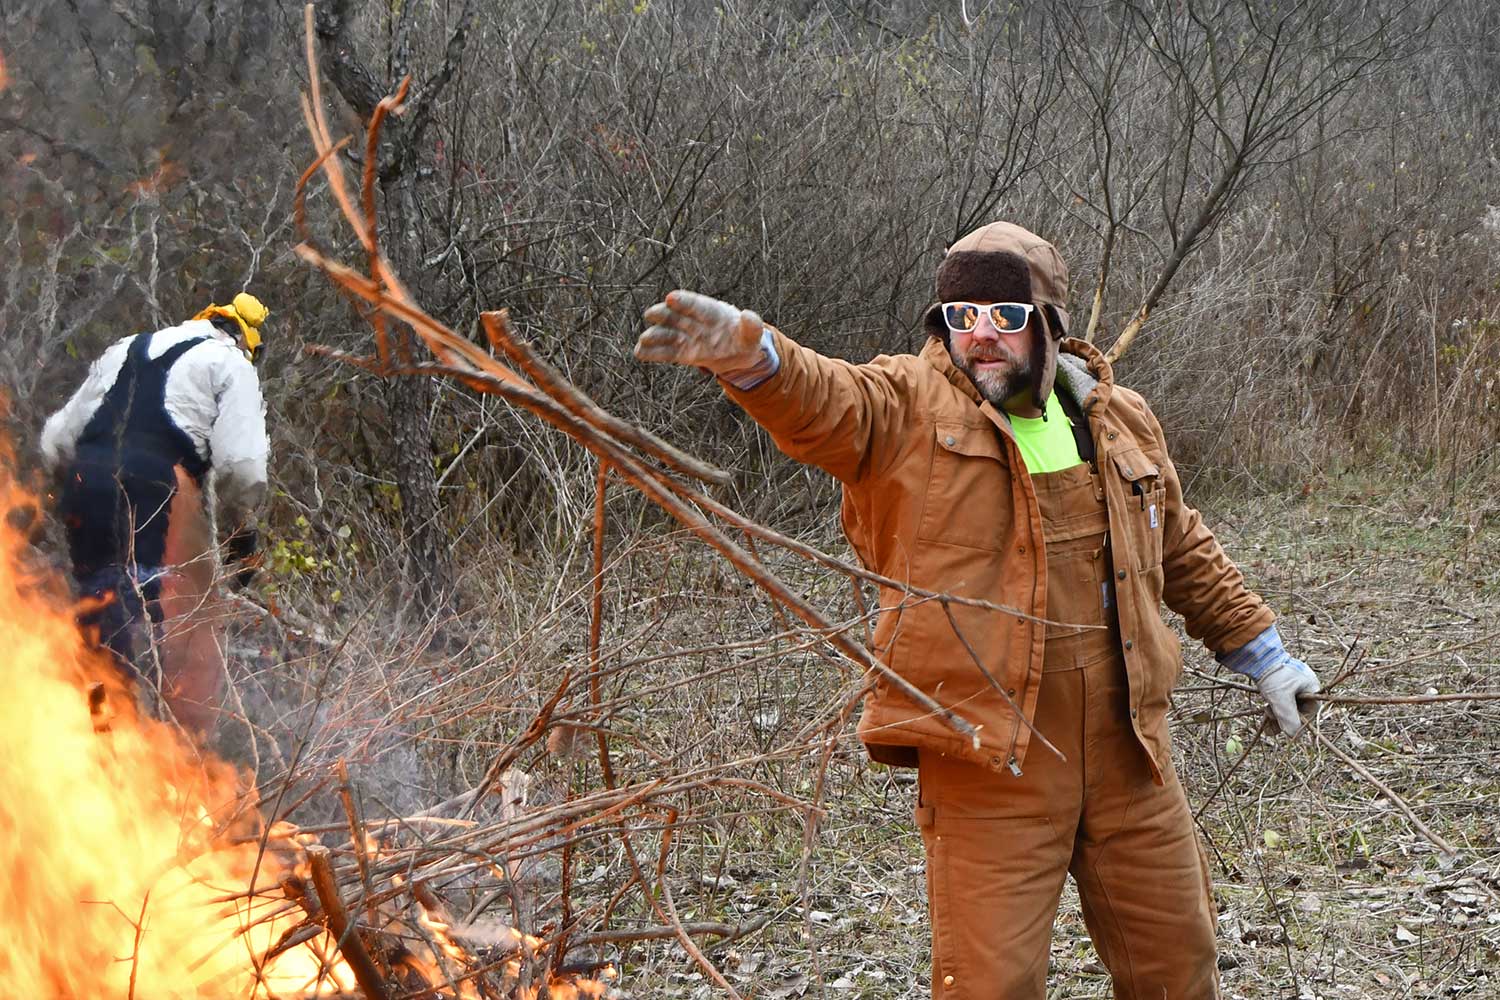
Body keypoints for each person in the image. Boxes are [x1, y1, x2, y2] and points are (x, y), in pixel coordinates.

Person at [634, 221, 1321, 999]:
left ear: (1052, 326)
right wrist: (753, 357)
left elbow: (1180, 544)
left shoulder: (1115, 417)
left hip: (1133, 751)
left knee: (1178, 968)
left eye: (1006, 315)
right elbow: (826, 399)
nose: (981, 336)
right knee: (990, 987)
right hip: (992, 760)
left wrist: (1262, 651)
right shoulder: (907, 410)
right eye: (962, 317)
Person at [41, 292, 271, 737]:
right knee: (139, 605)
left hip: (85, 479)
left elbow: (56, 440)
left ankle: (83, 716)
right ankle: (124, 740)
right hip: (150, 490)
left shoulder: (127, 347)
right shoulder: (232, 363)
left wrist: (67, 495)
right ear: (248, 342)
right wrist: (243, 537)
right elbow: (242, 469)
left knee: (96, 596)